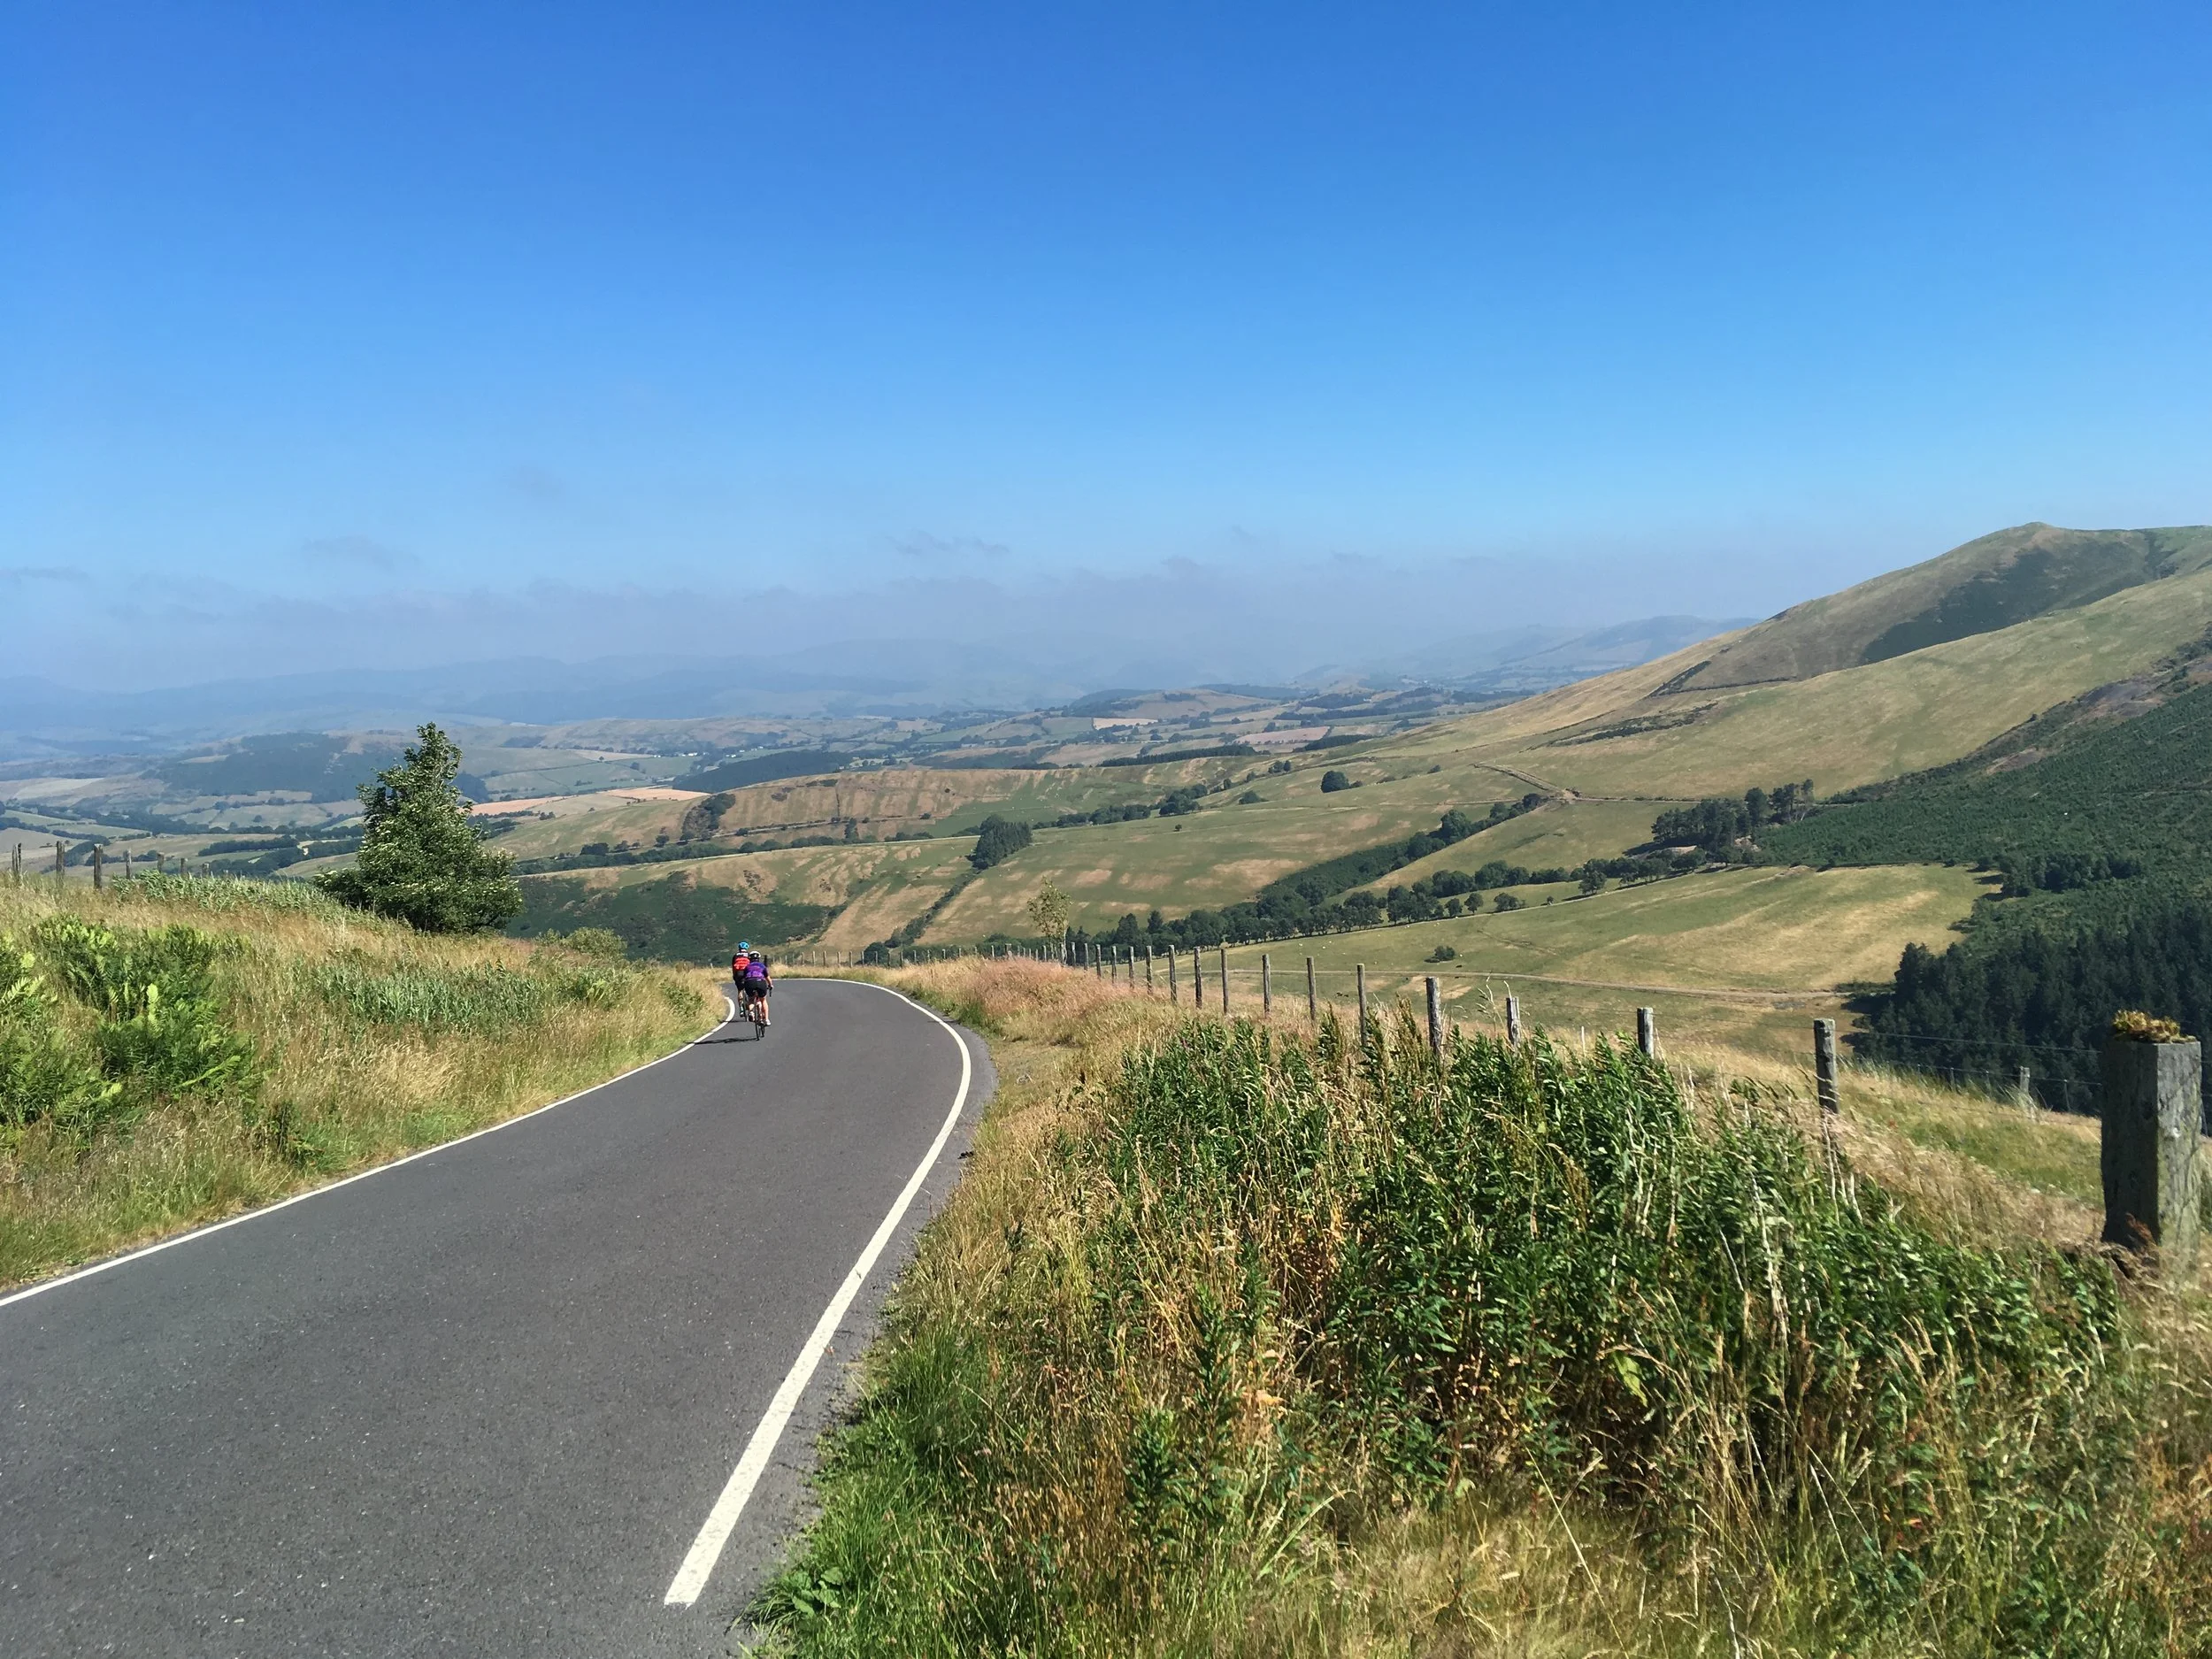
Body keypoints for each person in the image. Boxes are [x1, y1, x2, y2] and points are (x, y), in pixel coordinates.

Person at [736, 941, 772, 1026]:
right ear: (758, 958)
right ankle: (766, 1020)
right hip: (760, 982)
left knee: (751, 999)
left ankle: (751, 1012)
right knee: (763, 1000)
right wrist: (770, 985)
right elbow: (768, 978)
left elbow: (745, 977)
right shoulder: (762, 966)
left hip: (750, 982)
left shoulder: (747, 967)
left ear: (750, 959)